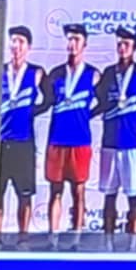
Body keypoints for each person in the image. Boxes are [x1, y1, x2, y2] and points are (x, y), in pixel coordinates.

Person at [95, 27, 136, 237]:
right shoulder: (108, 73)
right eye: (119, 44)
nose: (122, 48)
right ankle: (107, 242)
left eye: (126, 44)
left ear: (134, 47)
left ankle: (133, 244)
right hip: (109, 143)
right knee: (109, 196)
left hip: (133, 144)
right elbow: (100, 103)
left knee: (133, 198)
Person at [43, 23, 97, 235]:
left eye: (77, 39)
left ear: (85, 44)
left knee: (79, 191)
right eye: (70, 39)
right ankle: (53, 237)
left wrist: (86, 115)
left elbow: (104, 102)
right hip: (57, 141)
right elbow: (46, 101)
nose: (72, 44)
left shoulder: (94, 75)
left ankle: (77, 237)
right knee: (55, 191)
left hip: (80, 141)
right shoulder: (55, 74)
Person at [0, 26, 44, 237]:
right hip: (1, 142)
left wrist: (32, 111)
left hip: (24, 143)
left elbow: (49, 99)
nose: (16, 45)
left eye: (21, 42)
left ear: (29, 47)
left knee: (24, 194)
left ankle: (23, 238)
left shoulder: (36, 73)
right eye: (13, 41)